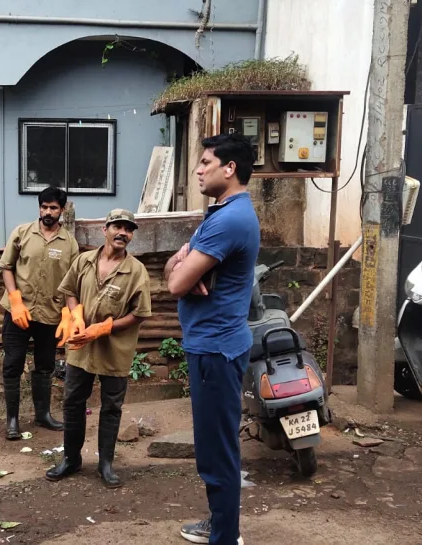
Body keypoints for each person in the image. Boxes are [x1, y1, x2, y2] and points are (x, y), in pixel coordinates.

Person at [164, 133, 260, 545]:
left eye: (205, 162)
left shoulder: (229, 219)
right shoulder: (220, 213)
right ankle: (221, 523)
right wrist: (184, 264)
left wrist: (186, 267)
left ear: (229, 168)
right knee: (213, 446)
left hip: (216, 349)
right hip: (213, 344)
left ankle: (225, 536)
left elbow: (175, 283)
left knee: (217, 451)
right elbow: (176, 268)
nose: (198, 169)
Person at [45, 209, 152, 489]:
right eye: (117, 226)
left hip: (114, 350)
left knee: (112, 406)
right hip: (81, 347)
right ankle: (71, 458)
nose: (123, 233)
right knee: (72, 402)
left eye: (128, 229)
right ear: (104, 229)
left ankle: (105, 463)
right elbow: (69, 290)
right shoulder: (84, 261)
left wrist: (106, 328)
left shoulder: (136, 271)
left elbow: (140, 313)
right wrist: (75, 314)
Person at [0, 186, 79, 441]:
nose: (47, 212)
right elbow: (7, 267)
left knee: (44, 367)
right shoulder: (22, 233)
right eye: (44, 207)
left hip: (50, 315)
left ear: (62, 210)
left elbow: (71, 282)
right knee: (13, 365)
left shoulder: (69, 244)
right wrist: (15, 299)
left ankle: (42, 414)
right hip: (19, 314)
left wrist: (70, 314)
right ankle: (12, 420)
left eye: (53, 208)